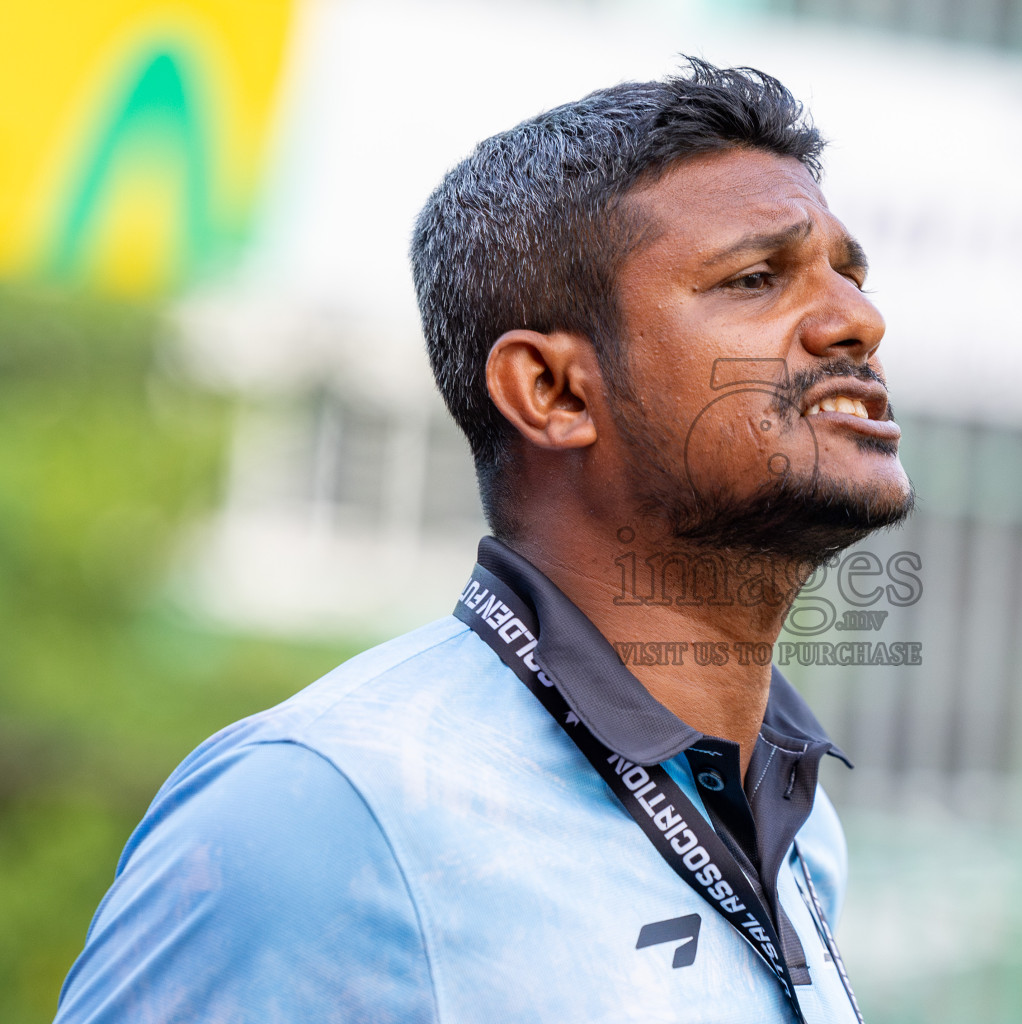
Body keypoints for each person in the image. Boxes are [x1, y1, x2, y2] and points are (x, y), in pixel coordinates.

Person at [54, 58, 912, 1023]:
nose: (858, 321)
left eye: (850, 273)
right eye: (757, 278)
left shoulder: (800, 833)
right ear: (551, 390)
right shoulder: (324, 807)